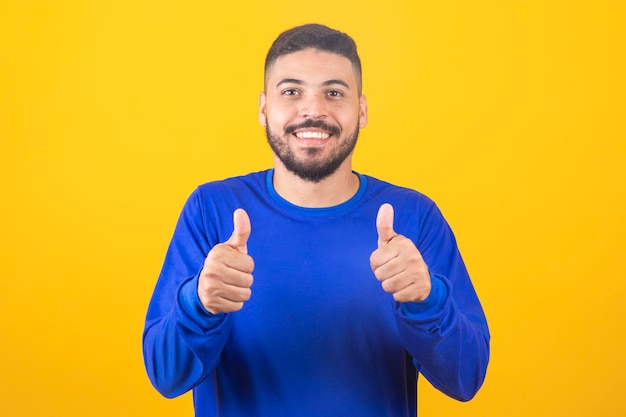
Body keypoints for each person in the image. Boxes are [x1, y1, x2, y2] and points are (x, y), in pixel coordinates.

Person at [142, 23, 490, 417]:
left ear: (360, 110)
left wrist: (428, 299)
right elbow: (166, 377)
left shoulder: (415, 217)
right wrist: (199, 304)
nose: (313, 110)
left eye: (334, 93)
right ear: (263, 108)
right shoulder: (210, 209)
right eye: (291, 91)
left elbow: (467, 378)